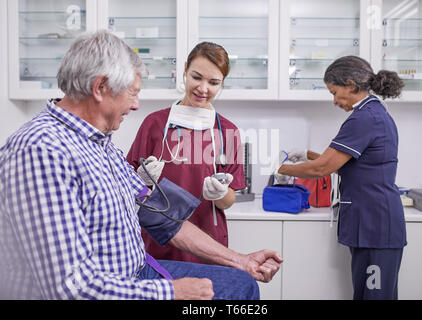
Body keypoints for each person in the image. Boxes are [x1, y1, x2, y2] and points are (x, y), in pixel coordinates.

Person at [0, 30, 282, 300]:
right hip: (112, 285)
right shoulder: (41, 151)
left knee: (242, 284)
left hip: (137, 270)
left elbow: (157, 214)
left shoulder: (100, 144)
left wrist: (241, 260)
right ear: (100, 88)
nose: (136, 105)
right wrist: (172, 292)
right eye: (132, 93)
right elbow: (71, 286)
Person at [276, 56, 407, 300]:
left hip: (375, 226)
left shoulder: (365, 117)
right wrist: (306, 154)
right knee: (367, 295)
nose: (335, 101)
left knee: (373, 297)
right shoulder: (372, 111)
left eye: (335, 92)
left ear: (350, 84)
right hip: (372, 224)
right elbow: (344, 162)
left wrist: (279, 169)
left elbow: (322, 168)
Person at [127, 42, 244, 264]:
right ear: (184, 70)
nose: (203, 88)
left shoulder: (228, 132)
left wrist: (219, 194)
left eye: (213, 82)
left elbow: (229, 201)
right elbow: (126, 185)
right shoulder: (154, 124)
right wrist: (143, 179)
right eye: (196, 77)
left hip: (207, 245)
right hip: (157, 242)